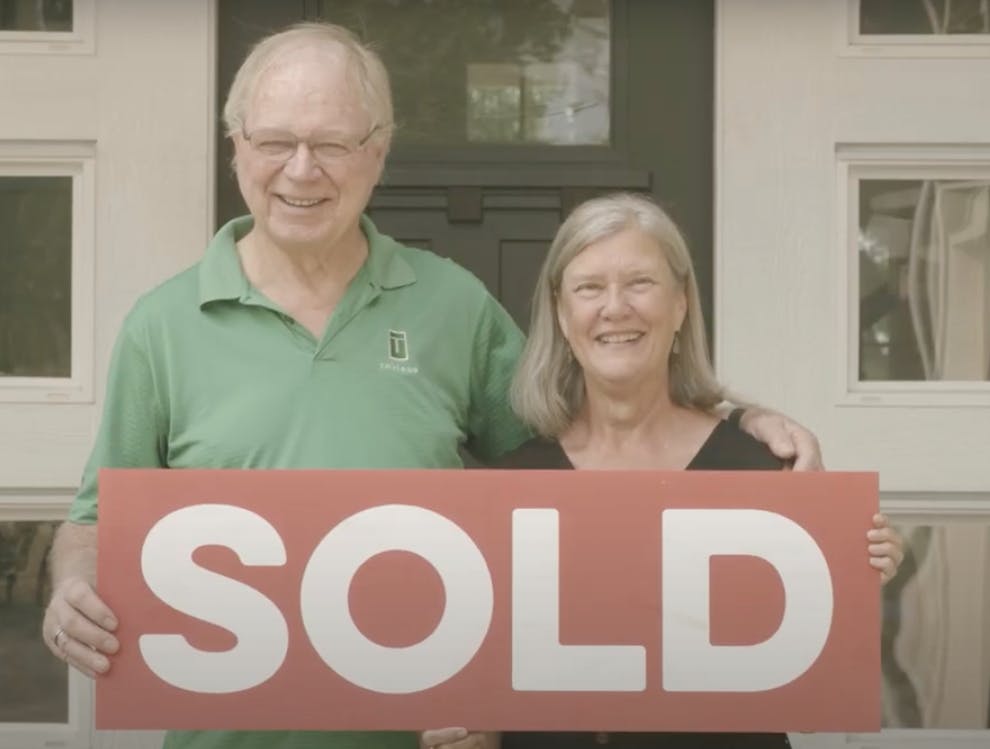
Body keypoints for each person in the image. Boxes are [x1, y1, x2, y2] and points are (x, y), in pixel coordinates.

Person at [42, 22, 828, 749]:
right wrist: (74, 579)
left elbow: (594, 442)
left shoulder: (451, 305)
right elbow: (95, 519)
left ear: (378, 151)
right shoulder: (163, 324)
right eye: (275, 141)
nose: (301, 169)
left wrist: (735, 425)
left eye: (332, 143)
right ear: (236, 148)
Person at [485, 192, 903, 749]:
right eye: (589, 287)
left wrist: (855, 575)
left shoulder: (764, 473)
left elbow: (810, 699)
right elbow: (492, 682)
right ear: (562, 314)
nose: (614, 308)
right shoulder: (512, 486)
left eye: (640, 282)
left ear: (681, 303)